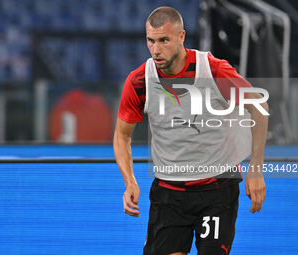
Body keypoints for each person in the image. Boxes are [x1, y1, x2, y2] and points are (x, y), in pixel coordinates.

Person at [113, 6, 267, 255]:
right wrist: (129, 181)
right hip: (168, 194)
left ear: (182, 37)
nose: (156, 49)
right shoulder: (139, 81)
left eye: (164, 40)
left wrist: (256, 169)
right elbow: (122, 136)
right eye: (150, 41)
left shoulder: (214, 71)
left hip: (216, 191)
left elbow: (259, 108)